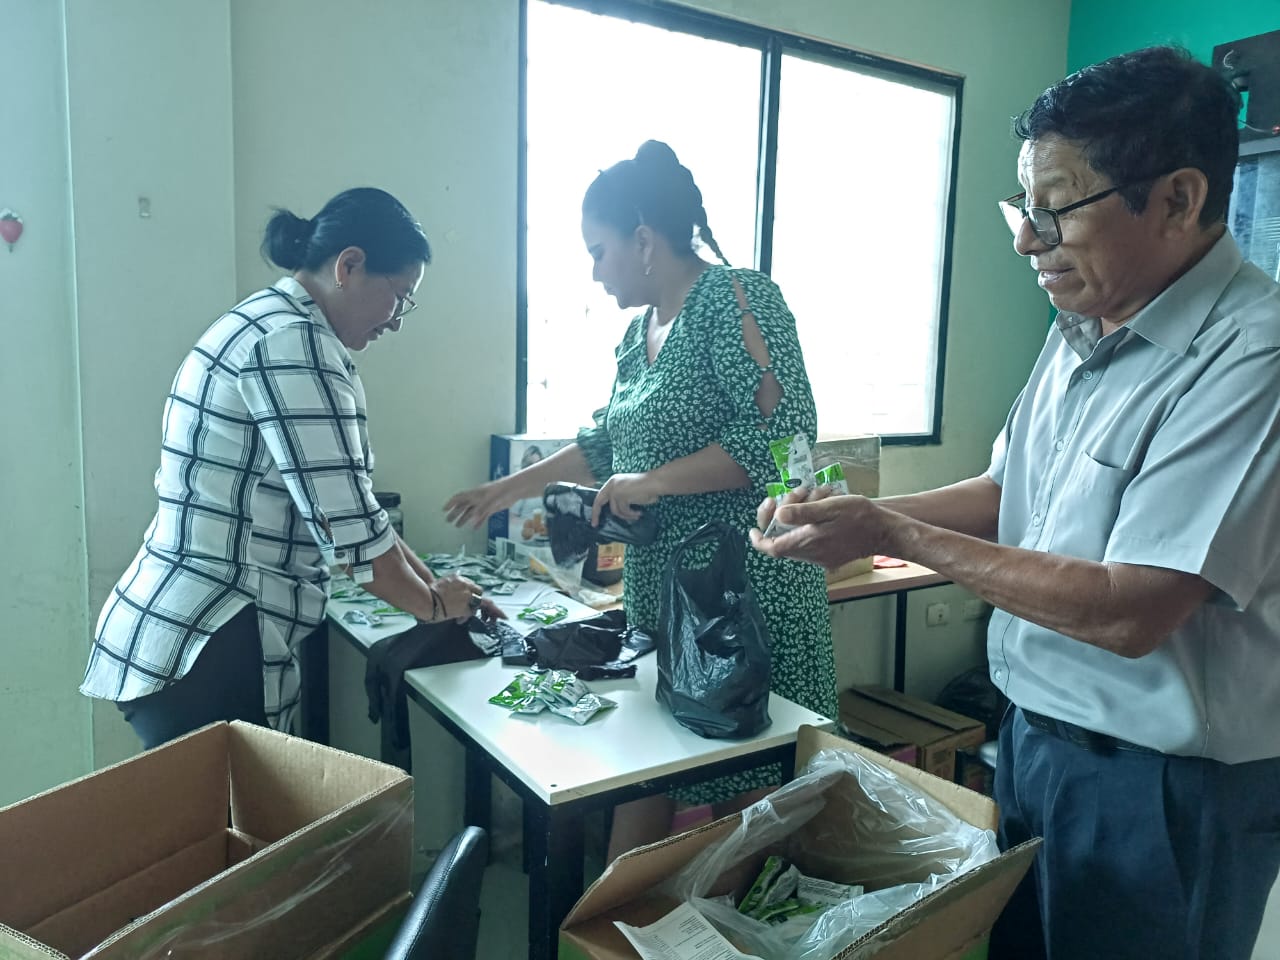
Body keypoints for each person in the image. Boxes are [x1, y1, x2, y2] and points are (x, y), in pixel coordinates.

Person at [752, 46, 1280, 960]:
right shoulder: (1081, 327)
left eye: (1056, 210)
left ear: (1178, 199)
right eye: (1022, 208)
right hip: (1037, 743)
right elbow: (1007, 492)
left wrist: (889, 530)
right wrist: (850, 519)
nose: (1027, 241)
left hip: (1164, 788)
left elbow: (1132, 608)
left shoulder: (1252, 354)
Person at [445, 141, 836, 860]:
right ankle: (636, 914)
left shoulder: (736, 299)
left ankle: (732, 915)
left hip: (743, 591)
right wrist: (503, 490)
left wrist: (651, 482)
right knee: (656, 768)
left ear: (645, 241)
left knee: (746, 797)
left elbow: (783, 436)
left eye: (599, 252)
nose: (595, 271)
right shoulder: (638, 333)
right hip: (663, 592)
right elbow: (605, 444)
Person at [81, 187, 498, 750]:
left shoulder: (268, 322)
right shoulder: (294, 343)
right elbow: (350, 535)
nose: (397, 321)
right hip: (212, 636)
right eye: (400, 296)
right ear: (349, 265)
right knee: (239, 810)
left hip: (191, 631)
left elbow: (356, 509)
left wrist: (437, 590)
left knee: (238, 807)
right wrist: (434, 606)